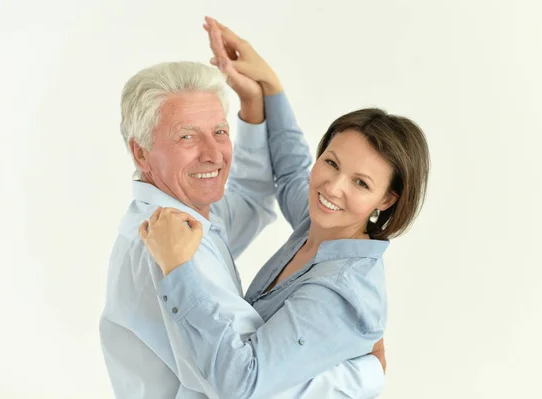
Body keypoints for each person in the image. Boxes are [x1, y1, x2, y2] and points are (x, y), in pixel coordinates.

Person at [139, 17, 430, 399]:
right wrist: (268, 88)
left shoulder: (339, 293)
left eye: (361, 183)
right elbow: (292, 167)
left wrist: (177, 271)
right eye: (331, 162)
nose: (334, 188)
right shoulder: (322, 225)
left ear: (387, 199)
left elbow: (241, 383)